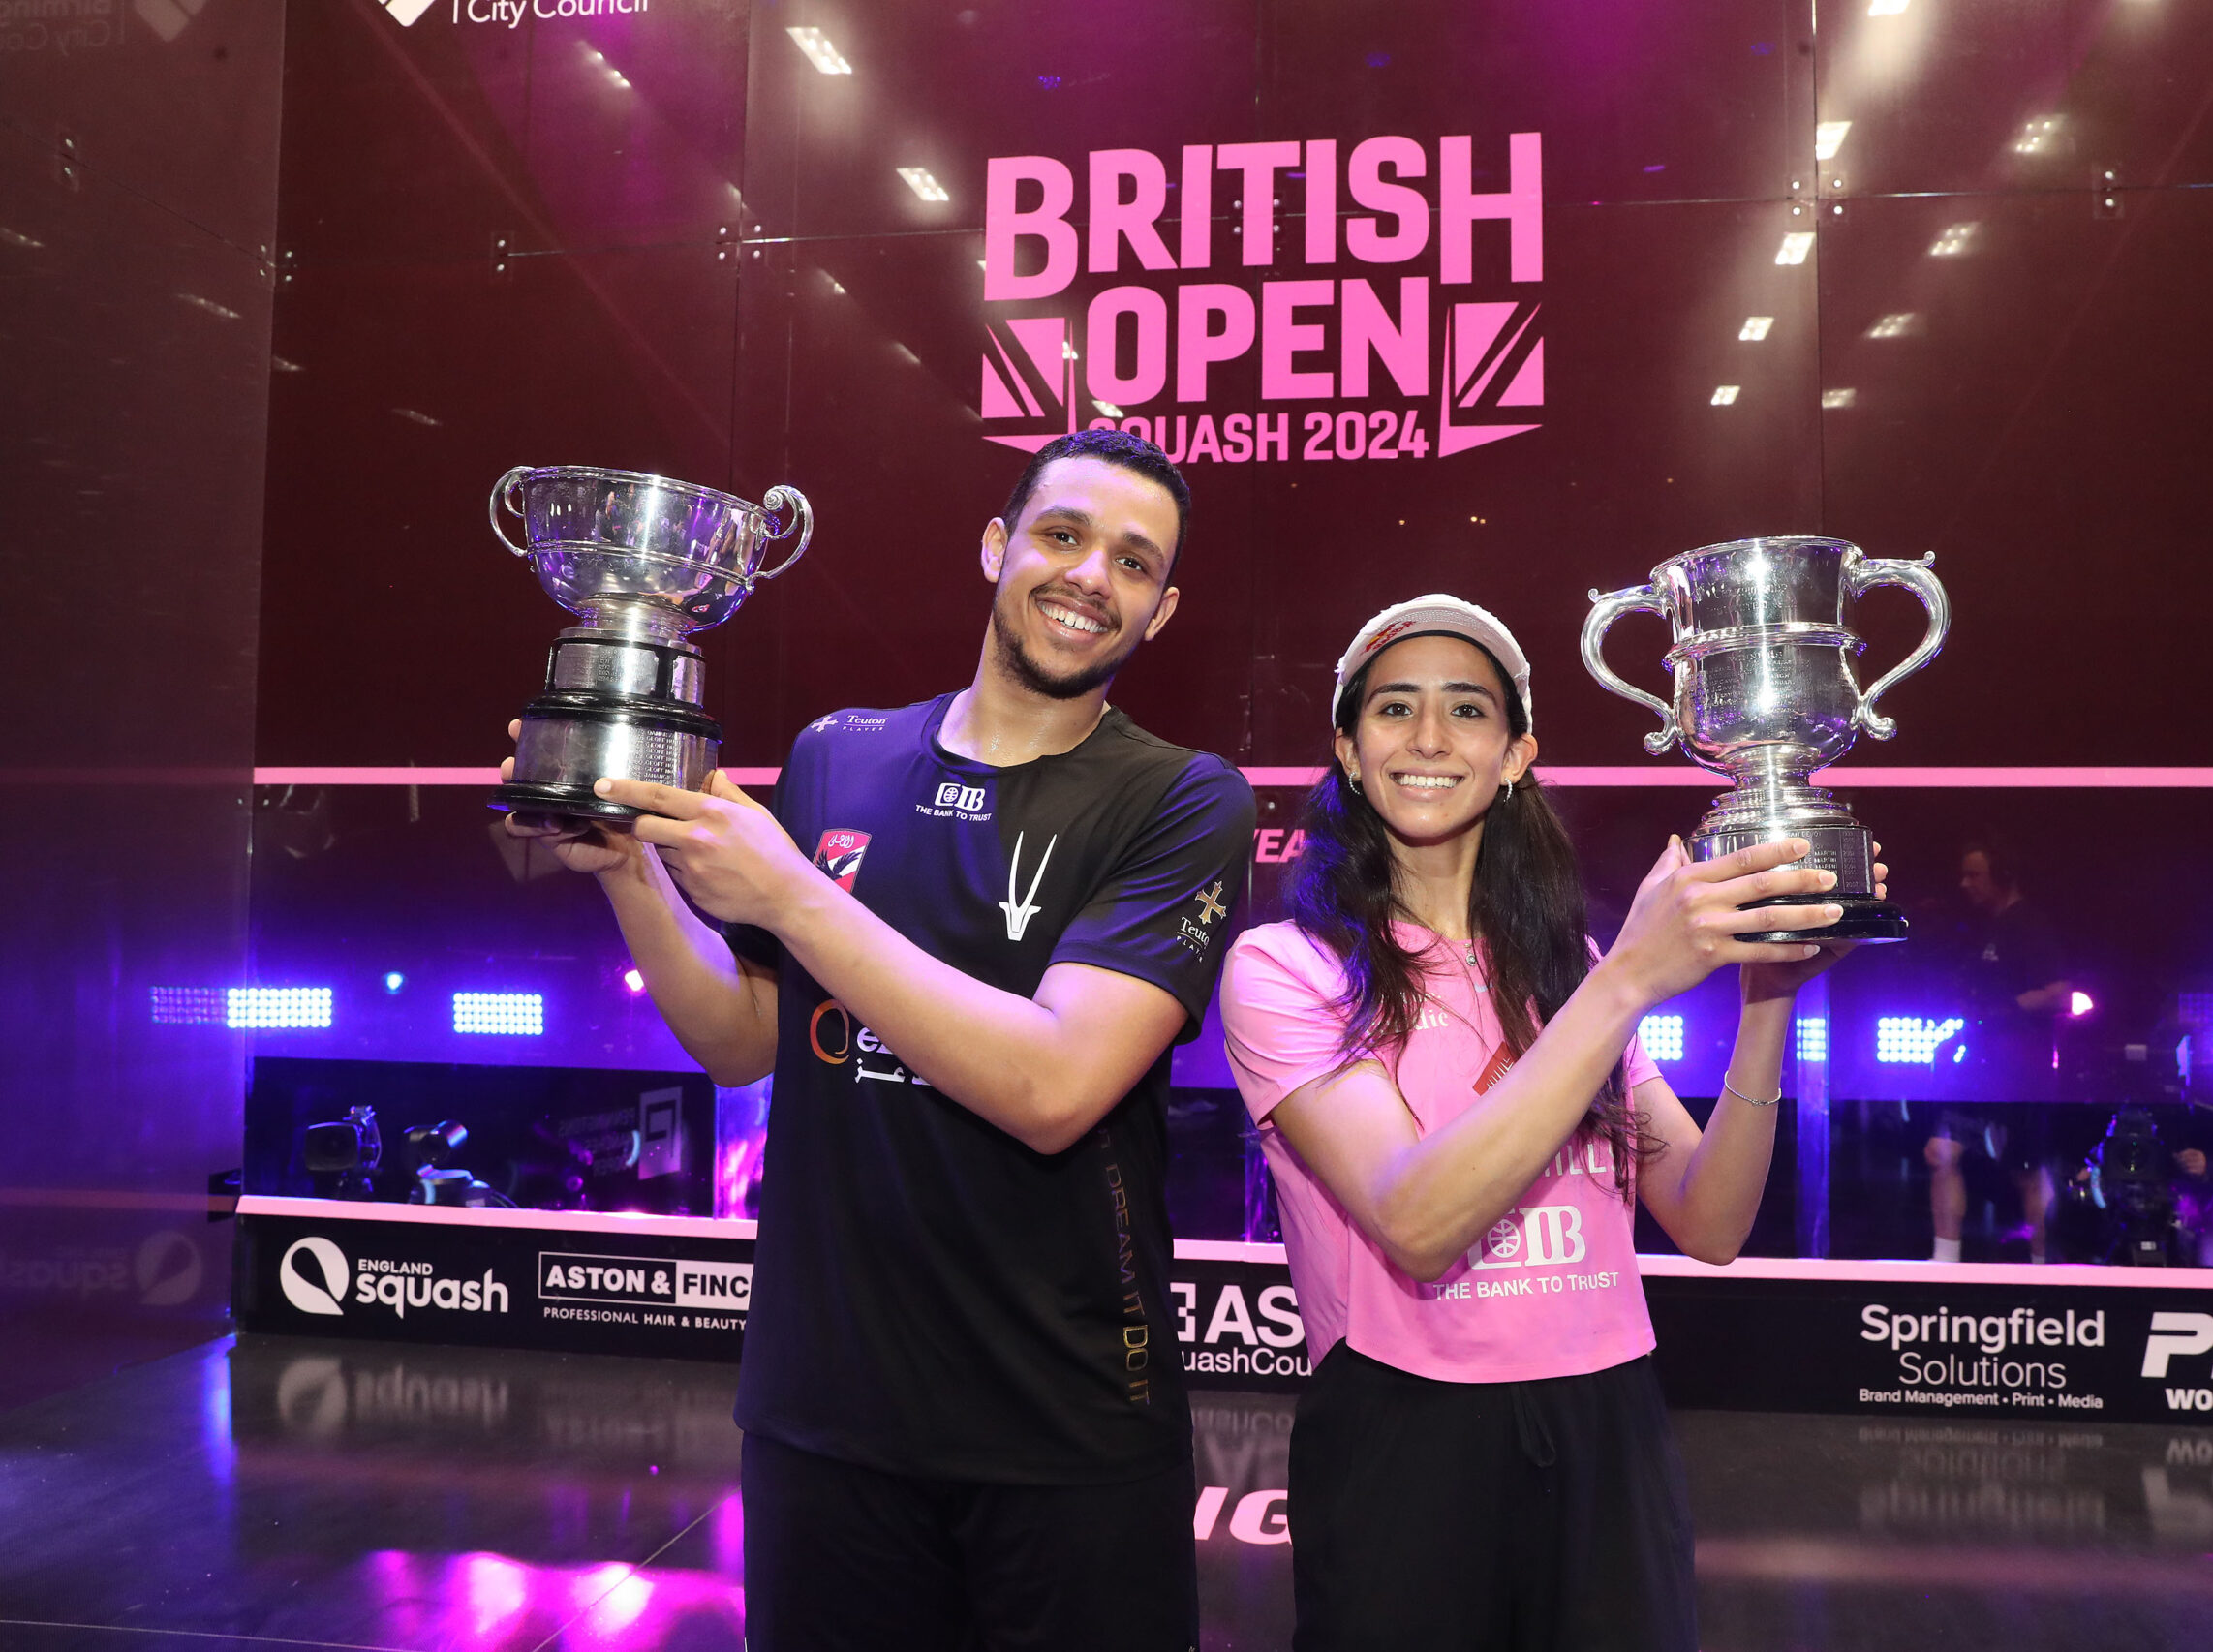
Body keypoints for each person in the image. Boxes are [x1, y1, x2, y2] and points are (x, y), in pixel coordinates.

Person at [502, 429, 1255, 1651]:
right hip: (824, 1412)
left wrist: (794, 890)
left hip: (1063, 1427)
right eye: (1062, 536)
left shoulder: (1184, 797)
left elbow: (1056, 1083)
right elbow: (747, 1038)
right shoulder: (838, 754)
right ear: (996, 546)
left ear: (1160, 612)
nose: (1088, 578)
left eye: (1131, 562)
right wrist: (632, 872)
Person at [1217, 596, 1881, 1652]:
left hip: (1606, 1421)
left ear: (1515, 750)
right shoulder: (1285, 968)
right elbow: (1417, 1218)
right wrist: (1624, 981)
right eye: (1394, 707)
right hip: (1404, 1436)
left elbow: (1710, 1219)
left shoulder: (1564, 965)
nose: (1430, 738)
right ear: (1347, 748)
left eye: (1467, 710)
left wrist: (1770, 994)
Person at [1924, 839, 2074, 1263]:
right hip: (1978, 1066)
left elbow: (2060, 993)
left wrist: (2000, 1012)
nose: (1964, 884)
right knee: (1941, 1152)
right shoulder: (1985, 926)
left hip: (2020, 1068)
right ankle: (1944, 1261)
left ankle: (2042, 1266)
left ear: (2003, 876)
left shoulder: (2031, 925)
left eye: (1975, 874)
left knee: (2027, 1171)